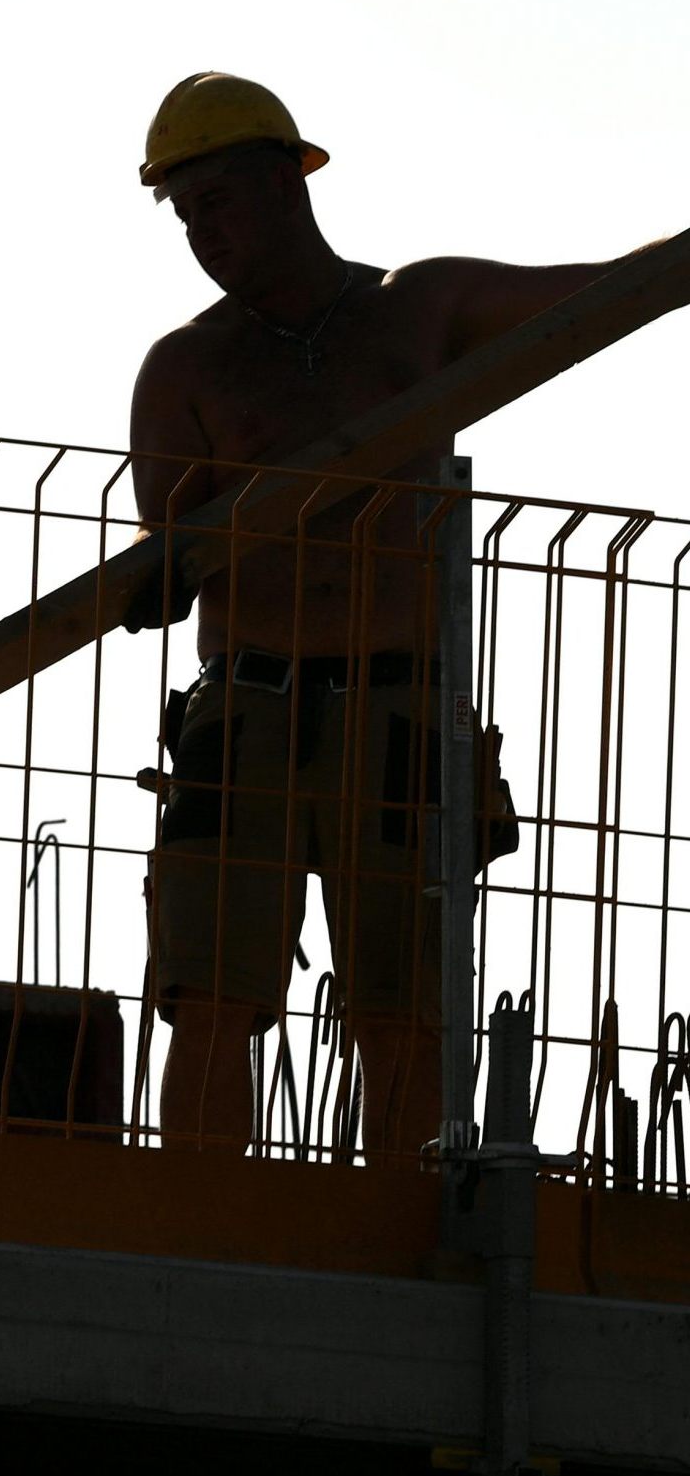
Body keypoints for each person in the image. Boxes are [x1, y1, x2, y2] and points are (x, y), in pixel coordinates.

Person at [129, 72, 650, 1160]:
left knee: (402, 1003)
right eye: (184, 217)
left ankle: (393, 1223)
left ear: (284, 184)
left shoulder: (418, 310)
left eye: (214, 204)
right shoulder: (187, 365)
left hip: (398, 703)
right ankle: (197, 1227)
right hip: (249, 708)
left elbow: (605, 292)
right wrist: (186, 544)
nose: (201, 236)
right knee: (210, 992)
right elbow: (162, 567)